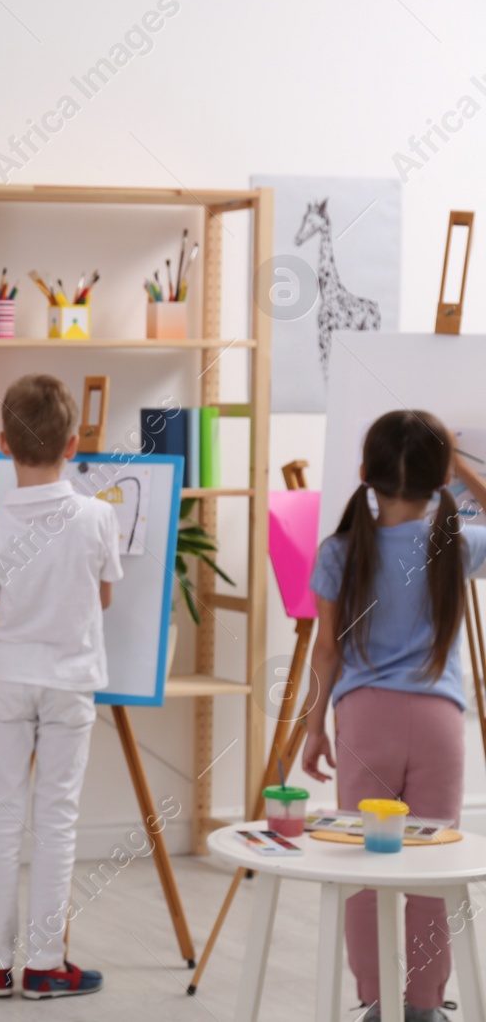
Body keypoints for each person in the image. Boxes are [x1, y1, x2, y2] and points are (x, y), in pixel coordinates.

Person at [0, 373, 121, 1000]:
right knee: (57, 820)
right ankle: (45, 964)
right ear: (73, 444)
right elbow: (103, 599)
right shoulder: (99, 518)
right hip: (70, 685)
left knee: (3, 817)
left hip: (6, 680)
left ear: (3, 444)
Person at [301, 410, 486, 1022]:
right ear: (440, 483)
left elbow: (325, 651)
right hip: (438, 725)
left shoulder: (339, 550)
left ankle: (378, 1000)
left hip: (364, 722)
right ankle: (426, 1006)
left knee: (364, 864)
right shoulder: (455, 543)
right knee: (432, 865)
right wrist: (461, 465)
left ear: (363, 474)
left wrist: (311, 728)